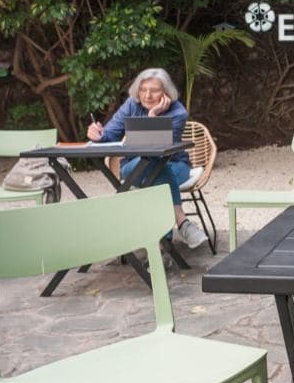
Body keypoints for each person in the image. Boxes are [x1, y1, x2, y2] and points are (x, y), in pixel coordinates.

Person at [87, 67, 210, 250]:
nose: (147, 95)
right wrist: (96, 134)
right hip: (133, 167)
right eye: (143, 90)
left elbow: (158, 149)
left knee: (158, 166)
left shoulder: (178, 113)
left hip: (175, 165)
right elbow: (109, 134)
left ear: (166, 92)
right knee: (158, 168)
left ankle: (162, 248)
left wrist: (153, 115)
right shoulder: (131, 105)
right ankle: (182, 223)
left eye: (154, 90)